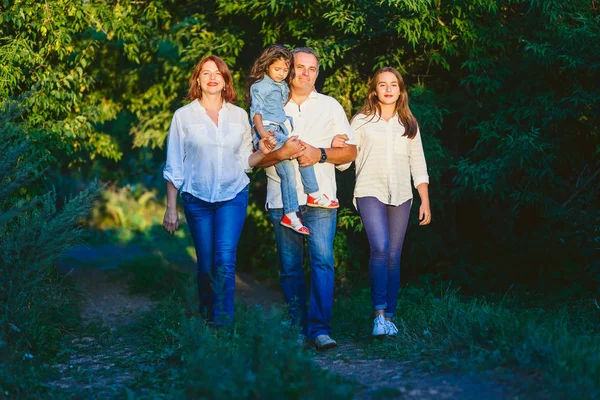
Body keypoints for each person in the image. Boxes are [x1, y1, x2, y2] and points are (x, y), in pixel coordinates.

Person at [162, 55, 276, 327]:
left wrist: (260, 154)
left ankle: (223, 324)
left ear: (225, 81)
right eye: (206, 73)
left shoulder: (239, 116)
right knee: (206, 265)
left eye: (218, 73)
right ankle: (206, 317)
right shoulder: (183, 117)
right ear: (198, 81)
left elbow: (244, 161)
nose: (212, 77)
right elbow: (174, 164)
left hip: (232, 195)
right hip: (197, 198)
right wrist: (170, 208)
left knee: (225, 260)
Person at [256, 47, 357, 350]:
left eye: (312, 68)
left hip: (321, 199)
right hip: (281, 199)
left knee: (323, 263)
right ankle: (296, 329)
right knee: (289, 267)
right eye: (300, 67)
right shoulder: (269, 103)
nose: (306, 73)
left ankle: (320, 329)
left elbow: (350, 153)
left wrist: (320, 153)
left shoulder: (330, 106)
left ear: (317, 73)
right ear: (289, 70)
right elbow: (255, 158)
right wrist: (280, 153)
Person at [336, 66, 431, 337]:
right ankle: (378, 315)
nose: (388, 89)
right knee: (380, 247)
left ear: (400, 91)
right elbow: (347, 158)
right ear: (374, 90)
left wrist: (424, 200)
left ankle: (390, 317)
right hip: (369, 190)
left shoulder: (409, 124)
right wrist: (335, 148)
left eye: (393, 84)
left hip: (402, 194)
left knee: (394, 255)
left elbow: (419, 163)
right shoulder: (361, 121)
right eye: (382, 85)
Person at [248, 45, 338, 236]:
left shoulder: (282, 86)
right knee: (299, 148)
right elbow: (256, 114)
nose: (281, 74)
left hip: (278, 128)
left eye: (284, 69)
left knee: (288, 171)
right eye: (277, 69)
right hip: (268, 130)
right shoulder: (259, 86)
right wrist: (264, 134)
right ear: (267, 66)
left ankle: (290, 214)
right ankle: (314, 193)